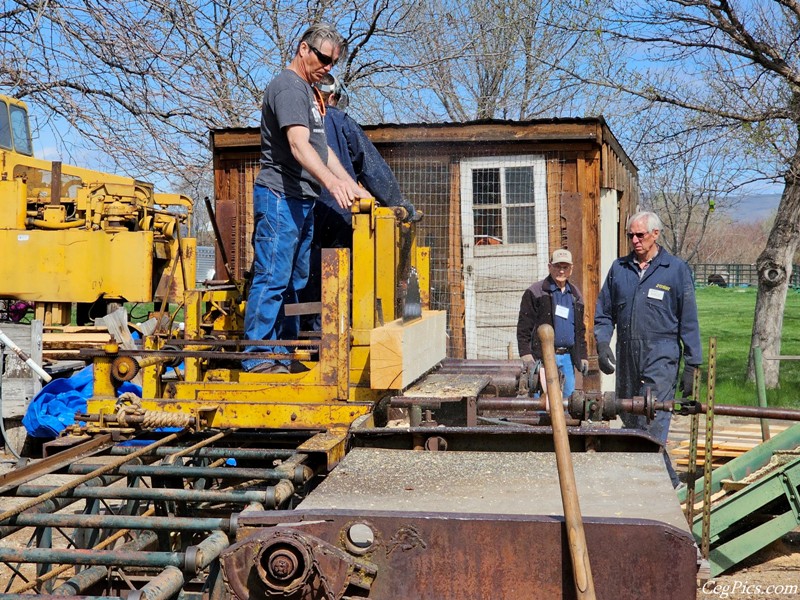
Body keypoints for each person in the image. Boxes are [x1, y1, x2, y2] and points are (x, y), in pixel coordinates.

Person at [242, 24, 369, 375]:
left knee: (295, 281)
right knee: (272, 278)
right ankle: (258, 358)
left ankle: (281, 354)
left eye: (334, 62)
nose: (329, 66)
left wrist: (351, 184)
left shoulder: (312, 94)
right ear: (303, 49)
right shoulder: (288, 87)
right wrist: (331, 183)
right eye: (324, 58)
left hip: (302, 199)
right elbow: (298, 145)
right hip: (280, 197)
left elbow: (322, 149)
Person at [298, 74, 418, 330]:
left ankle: (308, 337)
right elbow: (372, 168)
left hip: (300, 216)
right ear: (331, 97)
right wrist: (399, 203)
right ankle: (337, 337)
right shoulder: (339, 121)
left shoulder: (295, 123)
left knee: (306, 278)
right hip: (339, 214)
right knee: (340, 283)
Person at [594, 211, 702, 487]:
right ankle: (645, 480)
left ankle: (666, 482)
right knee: (629, 416)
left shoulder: (675, 270)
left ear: (655, 234)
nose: (634, 240)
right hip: (628, 353)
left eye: (640, 235)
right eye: (630, 235)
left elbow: (688, 319)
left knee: (653, 415)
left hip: (661, 354)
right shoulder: (620, 269)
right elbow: (604, 313)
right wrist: (603, 342)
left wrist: (692, 363)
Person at [516, 248, 588, 399]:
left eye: (565, 267)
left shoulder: (575, 295)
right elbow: (524, 326)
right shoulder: (535, 292)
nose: (561, 271)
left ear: (571, 269)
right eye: (557, 266)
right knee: (543, 401)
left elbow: (580, 330)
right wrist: (526, 354)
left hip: (567, 357)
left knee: (569, 401)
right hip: (543, 358)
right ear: (549, 267)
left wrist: (583, 356)